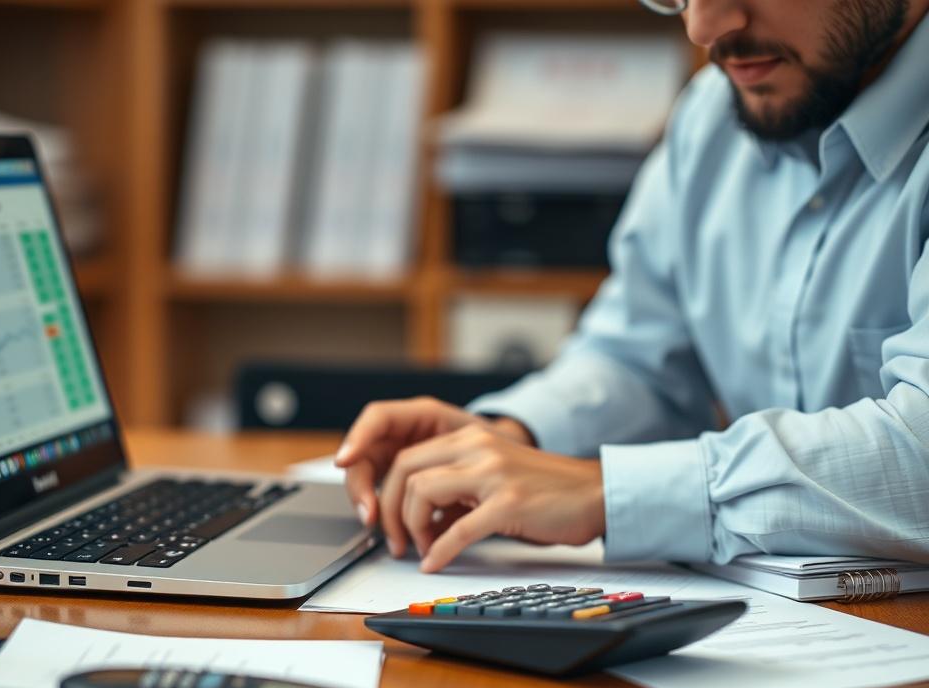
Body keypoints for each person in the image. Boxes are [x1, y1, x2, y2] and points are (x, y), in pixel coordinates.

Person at [334, 0, 929, 574]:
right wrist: (514, 439)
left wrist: (608, 494)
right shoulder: (712, 118)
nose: (704, 26)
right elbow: (641, 359)